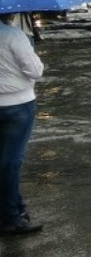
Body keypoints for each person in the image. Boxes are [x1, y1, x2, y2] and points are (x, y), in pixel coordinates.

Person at [0, 13, 45, 236]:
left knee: (5, 162)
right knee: (10, 163)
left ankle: (16, 208)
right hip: (17, 105)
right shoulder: (13, 36)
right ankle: (9, 218)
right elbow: (35, 71)